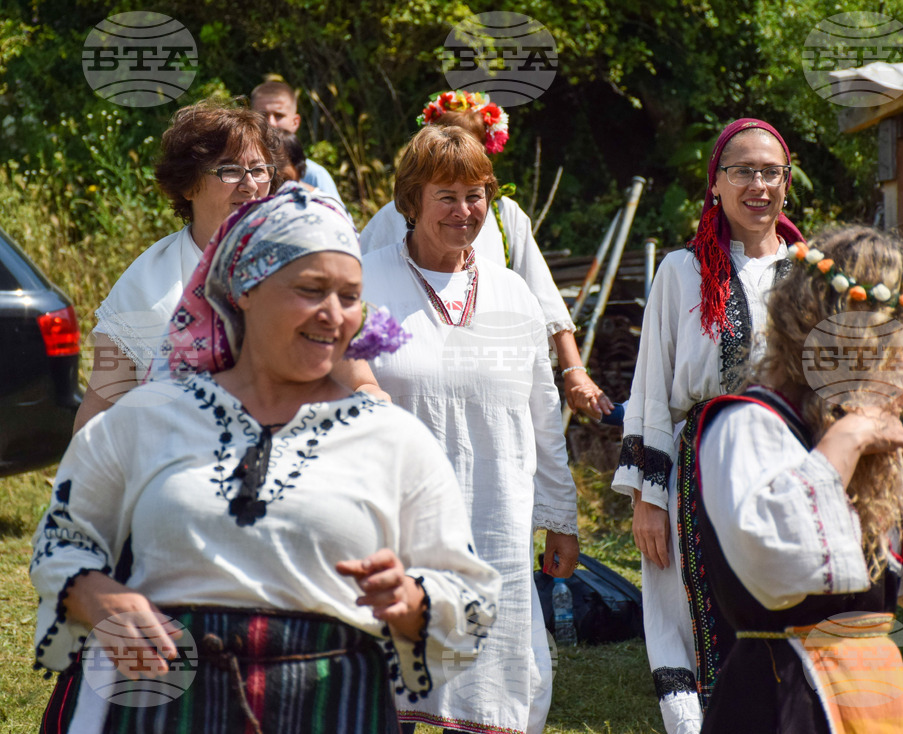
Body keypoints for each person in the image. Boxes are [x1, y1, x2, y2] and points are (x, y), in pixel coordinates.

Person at [31, 185, 501, 733]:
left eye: (350, 297)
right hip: (168, 706)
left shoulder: (392, 440)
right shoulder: (149, 420)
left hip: (332, 710)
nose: (333, 315)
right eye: (310, 289)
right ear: (245, 290)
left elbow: (469, 592)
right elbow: (62, 540)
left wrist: (414, 599)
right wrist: (96, 595)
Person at [695, 225, 903, 733]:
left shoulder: (844, 431)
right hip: (783, 702)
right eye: (899, 344)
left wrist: (900, 467)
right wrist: (847, 441)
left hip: (871, 696)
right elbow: (779, 563)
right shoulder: (749, 424)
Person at [362, 125, 580, 734]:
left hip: (494, 522)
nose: (464, 211)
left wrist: (560, 517)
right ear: (411, 201)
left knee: (496, 678)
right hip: (391, 522)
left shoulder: (513, 294)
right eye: (447, 197)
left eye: (475, 195)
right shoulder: (364, 282)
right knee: (384, 682)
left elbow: (542, 415)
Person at [611, 118, 806, 733]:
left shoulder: (813, 275)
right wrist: (648, 499)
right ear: (715, 184)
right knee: (698, 612)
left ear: (787, 182)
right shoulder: (682, 272)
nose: (758, 185)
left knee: (784, 611)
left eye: (770, 172)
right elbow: (652, 390)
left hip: (789, 470)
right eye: (742, 171)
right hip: (700, 472)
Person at [76, 99, 381, 431]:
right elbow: (99, 411)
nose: (249, 185)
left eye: (259, 170)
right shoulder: (145, 285)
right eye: (230, 170)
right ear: (189, 185)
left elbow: (361, 382)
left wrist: (372, 406)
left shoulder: (305, 264)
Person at [361, 90, 614, 420]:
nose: (462, 210)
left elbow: (543, 296)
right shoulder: (392, 217)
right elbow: (357, 295)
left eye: (470, 146)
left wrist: (574, 370)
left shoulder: (506, 217)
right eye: (446, 195)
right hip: (410, 366)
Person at [250, 80, 346, 208]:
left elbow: (336, 216)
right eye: (263, 115)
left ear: (295, 122)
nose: (271, 123)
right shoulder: (236, 171)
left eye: (279, 115)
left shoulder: (314, 176)